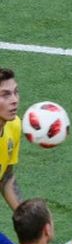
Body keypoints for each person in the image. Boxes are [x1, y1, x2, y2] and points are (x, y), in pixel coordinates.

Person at [0, 68, 25, 210]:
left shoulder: (14, 125)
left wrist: (25, 214)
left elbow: (5, 177)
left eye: (16, 92)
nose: (14, 100)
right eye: (5, 95)